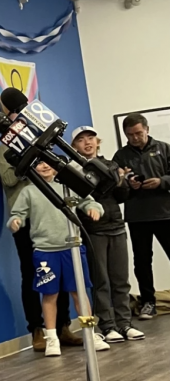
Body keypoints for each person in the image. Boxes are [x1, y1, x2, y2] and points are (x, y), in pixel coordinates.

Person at [7, 161, 106, 357]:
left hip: (73, 248)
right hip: (45, 251)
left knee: (79, 293)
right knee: (49, 294)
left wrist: (93, 208)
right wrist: (15, 221)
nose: (44, 166)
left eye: (48, 163)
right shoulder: (29, 192)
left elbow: (89, 201)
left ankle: (89, 333)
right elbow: (17, 214)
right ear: (32, 168)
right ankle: (51, 338)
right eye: (39, 164)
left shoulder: (67, 188)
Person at [0, 145, 81, 351]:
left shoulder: (45, 145)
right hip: (26, 220)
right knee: (32, 274)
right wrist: (28, 163)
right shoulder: (4, 150)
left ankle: (62, 326)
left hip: (54, 220)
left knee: (62, 274)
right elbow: (8, 179)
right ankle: (37, 329)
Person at [70, 126, 144, 342]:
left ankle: (125, 324)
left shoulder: (111, 164)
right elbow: (83, 199)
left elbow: (121, 196)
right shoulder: (74, 169)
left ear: (97, 141)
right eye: (81, 140)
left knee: (121, 279)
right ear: (75, 145)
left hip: (117, 227)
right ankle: (107, 326)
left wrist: (123, 182)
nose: (87, 143)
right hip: (94, 231)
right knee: (101, 280)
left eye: (91, 138)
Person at [113, 114, 170, 320]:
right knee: (143, 262)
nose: (135, 138)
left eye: (139, 133)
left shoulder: (164, 148)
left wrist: (161, 181)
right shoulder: (120, 156)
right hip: (137, 216)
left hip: (165, 213)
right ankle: (148, 302)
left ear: (147, 129)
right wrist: (129, 184)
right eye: (130, 135)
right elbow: (117, 187)